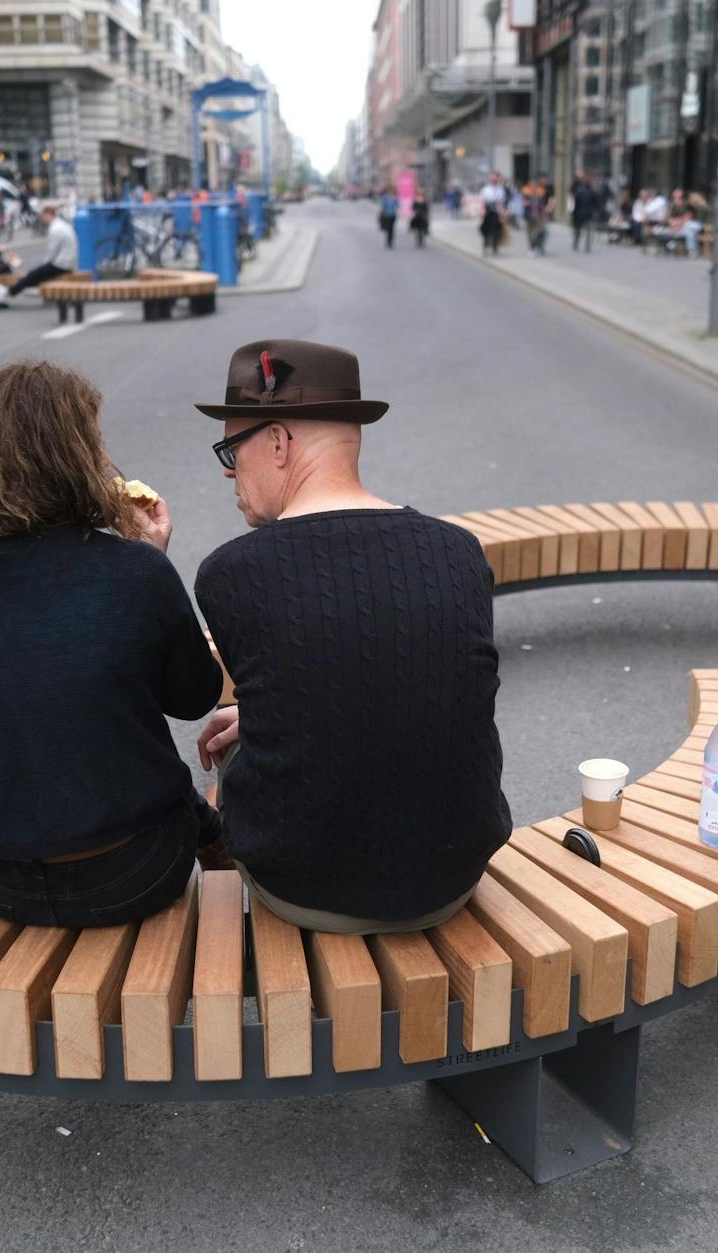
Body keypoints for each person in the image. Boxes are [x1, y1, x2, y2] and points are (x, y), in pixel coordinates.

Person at [191, 340, 511, 933]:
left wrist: (258, 721)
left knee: (229, 747)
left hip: (304, 889)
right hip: (455, 877)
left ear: (278, 443)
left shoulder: (232, 573)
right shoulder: (459, 552)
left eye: (231, 450)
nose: (228, 471)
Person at [0, 361, 223, 927]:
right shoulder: (135, 573)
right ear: (76, 458)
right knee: (168, 772)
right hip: (133, 872)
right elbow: (194, 697)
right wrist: (151, 560)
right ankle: (219, 842)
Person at [4, 202, 76, 296]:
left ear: (47, 214)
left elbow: (52, 251)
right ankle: (20, 288)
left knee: (33, 274)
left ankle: (11, 291)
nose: (42, 219)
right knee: (35, 273)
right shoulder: (63, 225)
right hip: (67, 262)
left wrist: (43, 266)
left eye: (42, 216)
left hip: (61, 265)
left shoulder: (55, 229)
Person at [478, 171, 508, 255]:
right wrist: (482, 210)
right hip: (487, 210)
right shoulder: (485, 189)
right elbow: (482, 200)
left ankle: (495, 247)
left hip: (496, 211)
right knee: (485, 228)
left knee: (496, 229)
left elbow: (502, 202)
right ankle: (486, 245)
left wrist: (503, 211)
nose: (494, 180)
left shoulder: (500, 190)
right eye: (493, 178)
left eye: (496, 179)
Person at [570, 173, 599, 253]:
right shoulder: (591, 191)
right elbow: (596, 203)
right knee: (587, 231)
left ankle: (576, 243)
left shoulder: (578, 191)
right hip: (588, 214)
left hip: (579, 214)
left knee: (578, 230)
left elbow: (575, 203)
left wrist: (573, 213)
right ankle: (587, 246)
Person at [377, 185, 398, 249]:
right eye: (389, 190)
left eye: (391, 190)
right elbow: (382, 205)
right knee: (388, 228)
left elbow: (398, 205)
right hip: (386, 215)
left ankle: (390, 241)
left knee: (392, 228)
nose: (390, 192)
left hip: (393, 215)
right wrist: (383, 210)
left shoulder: (395, 198)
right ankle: (388, 241)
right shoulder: (384, 197)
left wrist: (394, 209)